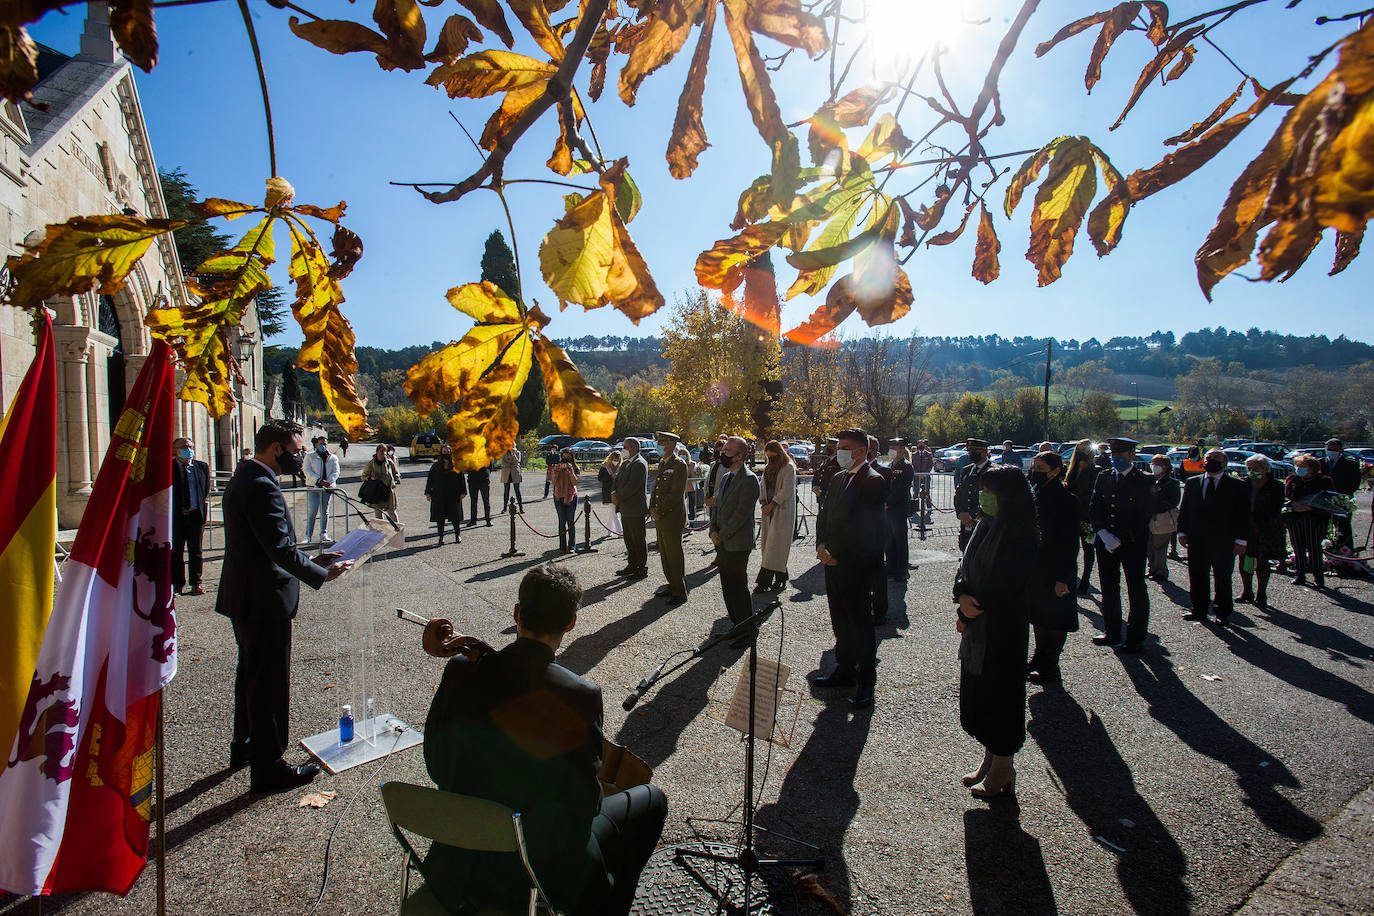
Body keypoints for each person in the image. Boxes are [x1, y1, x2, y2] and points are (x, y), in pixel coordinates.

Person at [424, 564, 668, 916]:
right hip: (535, 859)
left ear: (517, 613)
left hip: (462, 847)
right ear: (571, 623)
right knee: (652, 799)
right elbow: (584, 806)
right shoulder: (580, 694)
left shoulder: (462, 668)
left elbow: (435, 762)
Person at [215, 424, 351, 792]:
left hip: (245, 594)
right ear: (276, 449)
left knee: (251, 674)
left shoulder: (245, 477)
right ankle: (269, 765)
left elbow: (267, 545)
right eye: (295, 449)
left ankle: (244, 745)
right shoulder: (262, 486)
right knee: (269, 682)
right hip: (264, 599)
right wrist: (320, 572)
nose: (300, 455)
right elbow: (278, 549)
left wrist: (312, 558)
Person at [953, 466, 1036, 798]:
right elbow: (965, 567)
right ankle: (989, 758)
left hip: (1002, 630)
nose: (983, 496)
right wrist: (961, 595)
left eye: (989, 491)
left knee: (1001, 699)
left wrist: (970, 612)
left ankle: (1003, 767)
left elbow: (1005, 585)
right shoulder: (985, 525)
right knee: (980, 695)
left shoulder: (1021, 533)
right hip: (978, 627)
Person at [814, 428, 887, 707]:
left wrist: (835, 551)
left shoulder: (873, 481)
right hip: (831, 563)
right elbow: (825, 515)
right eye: (839, 446)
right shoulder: (838, 478)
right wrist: (821, 545)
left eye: (845, 447)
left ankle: (866, 682)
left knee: (860, 624)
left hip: (855, 564)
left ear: (861, 450)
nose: (839, 451)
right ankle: (844, 670)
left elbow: (863, 527)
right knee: (840, 621)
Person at [1088, 438, 1154, 652]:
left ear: (1132, 456)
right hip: (1106, 542)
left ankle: (1135, 637)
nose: (1116, 460)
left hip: (1132, 543)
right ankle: (1112, 631)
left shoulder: (1144, 480)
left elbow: (1144, 514)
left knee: (1136, 588)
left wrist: (1122, 538)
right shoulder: (1104, 477)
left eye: (1120, 456)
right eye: (1113, 456)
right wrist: (1103, 532)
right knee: (1109, 587)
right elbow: (1095, 506)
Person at [1177, 448, 1249, 624]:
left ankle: (1223, 612)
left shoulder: (1236, 485)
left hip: (1223, 540)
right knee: (1197, 575)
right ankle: (1198, 609)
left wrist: (1241, 540)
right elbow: (1185, 509)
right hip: (1197, 539)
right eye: (1208, 458)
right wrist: (1182, 532)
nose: (1210, 461)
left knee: (1222, 577)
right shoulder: (1193, 482)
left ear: (1224, 463)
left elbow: (1243, 515)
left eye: (1215, 458)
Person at [1027, 452, 1079, 686]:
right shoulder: (1037, 493)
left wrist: (1062, 577)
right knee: (1039, 615)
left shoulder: (1065, 499)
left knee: (1055, 618)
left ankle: (1051, 665)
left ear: (1056, 470)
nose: (1035, 471)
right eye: (1034, 466)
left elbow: (1068, 543)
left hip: (1056, 567)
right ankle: (1038, 658)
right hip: (1038, 566)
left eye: (1041, 467)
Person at [709, 436, 760, 644]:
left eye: (728, 452)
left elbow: (741, 514)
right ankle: (736, 625)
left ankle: (747, 631)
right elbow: (717, 507)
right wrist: (712, 530)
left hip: (737, 544)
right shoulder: (726, 477)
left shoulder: (749, 479)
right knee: (727, 587)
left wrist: (722, 535)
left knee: (738, 588)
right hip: (721, 542)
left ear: (740, 456)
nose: (723, 454)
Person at [1238, 454, 1285, 607]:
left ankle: (1261, 593)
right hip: (1245, 527)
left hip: (1267, 528)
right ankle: (1247, 591)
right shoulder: (1243, 484)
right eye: (1249, 469)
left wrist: (1259, 521)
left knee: (1263, 562)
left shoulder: (1276, 486)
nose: (1251, 471)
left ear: (1265, 469)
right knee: (1244, 560)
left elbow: (1275, 509)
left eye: (1255, 469)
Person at [650, 432, 689, 605]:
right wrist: (651, 507)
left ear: (672, 445)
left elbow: (675, 494)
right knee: (664, 553)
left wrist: (659, 510)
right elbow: (657, 489)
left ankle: (679, 591)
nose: (659, 446)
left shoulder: (679, 464)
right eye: (659, 442)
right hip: (660, 515)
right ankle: (671, 584)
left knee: (674, 554)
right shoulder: (662, 463)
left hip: (671, 515)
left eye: (663, 443)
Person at [1284, 453, 1332, 589]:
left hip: (1314, 519)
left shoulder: (1324, 480)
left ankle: (1318, 576)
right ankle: (1300, 574)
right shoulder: (1292, 479)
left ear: (1312, 468)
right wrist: (1293, 506)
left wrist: (1309, 507)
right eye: (1298, 466)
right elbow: (1287, 496)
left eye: (1303, 466)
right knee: (1297, 547)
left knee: (1314, 547)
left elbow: (1328, 500)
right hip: (1295, 518)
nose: (1299, 468)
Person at [755, 439, 796, 592]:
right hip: (768, 510)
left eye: (772, 456)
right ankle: (781, 576)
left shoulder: (788, 468)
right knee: (770, 547)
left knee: (776, 546)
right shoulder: (768, 468)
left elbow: (786, 490)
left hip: (781, 510)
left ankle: (763, 582)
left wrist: (773, 504)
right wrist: (764, 503)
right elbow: (763, 486)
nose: (770, 459)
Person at [171, 436, 210, 596]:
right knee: (176, 552)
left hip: (195, 515)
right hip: (177, 517)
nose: (189, 450)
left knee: (196, 551)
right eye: (184, 447)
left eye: (190, 446)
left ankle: (196, 583)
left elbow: (205, 489)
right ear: (175, 450)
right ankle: (177, 584)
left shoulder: (201, 467)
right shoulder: (169, 468)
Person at [1065, 440, 1100, 595]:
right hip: (1072, 516)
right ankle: (1071, 578)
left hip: (1087, 517)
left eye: (1084, 450)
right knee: (1071, 549)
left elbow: (1092, 494)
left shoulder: (1094, 470)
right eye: (1078, 450)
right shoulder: (1071, 469)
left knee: (1088, 548)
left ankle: (1085, 580)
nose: (1080, 453)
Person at [613, 438, 649, 577]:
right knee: (629, 539)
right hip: (626, 508)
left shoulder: (640, 463)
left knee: (638, 539)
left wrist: (619, 496)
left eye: (625, 447)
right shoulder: (626, 463)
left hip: (635, 508)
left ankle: (641, 567)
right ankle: (632, 564)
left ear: (633, 448)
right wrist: (613, 492)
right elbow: (617, 480)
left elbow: (632, 486)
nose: (623, 449)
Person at [866, 435, 892, 623]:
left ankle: (880, 609)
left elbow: (886, 500)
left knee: (876, 570)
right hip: (856, 530)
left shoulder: (883, 472)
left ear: (873, 451)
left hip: (875, 529)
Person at [954, 437, 994, 551]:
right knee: (965, 549)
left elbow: (991, 499)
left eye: (975, 452)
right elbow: (959, 494)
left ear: (984, 452)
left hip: (983, 522)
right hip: (965, 522)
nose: (971, 454)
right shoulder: (967, 470)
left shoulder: (993, 472)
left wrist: (971, 515)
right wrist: (960, 513)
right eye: (970, 451)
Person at [1146, 455, 1181, 582]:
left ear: (1166, 467)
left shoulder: (1172, 483)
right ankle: (1152, 568)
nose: (1154, 466)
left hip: (1163, 518)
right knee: (1149, 545)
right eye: (1153, 463)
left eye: (1158, 464)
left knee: (1160, 546)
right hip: (1149, 517)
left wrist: (1157, 493)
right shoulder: (1148, 480)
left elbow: (1174, 501)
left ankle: (1161, 571)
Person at [1322, 438, 1362, 549]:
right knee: (1324, 529)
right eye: (1329, 449)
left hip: (1342, 502)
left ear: (1340, 450)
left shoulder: (1351, 464)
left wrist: (1340, 498)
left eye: (1334, 449)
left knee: (1343, 529)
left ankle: (1347, 554)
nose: (1331, 451)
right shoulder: (1319, 463)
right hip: (1323, 503)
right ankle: (1328, 553)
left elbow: (1354, 485)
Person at [885, 439, 915, 581]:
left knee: (900, 540)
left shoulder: (906, 466)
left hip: (898, 507)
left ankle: (901, 571)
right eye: (890, 447)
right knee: (889, 540)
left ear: (902, 450)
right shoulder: (890, 465)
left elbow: (901, 489)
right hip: (888, 508)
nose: (891, 449)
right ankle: (891, 569)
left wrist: (888, 502)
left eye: (895, 447)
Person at [424, 445, 466, 545]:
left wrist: (463, 492)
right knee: (440, 517)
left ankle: (457, 535)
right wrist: (428, 492)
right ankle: (441, 537)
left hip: (453, 495)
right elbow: (430, 480)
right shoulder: (435, 467)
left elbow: (462, 479)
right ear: (441, 453)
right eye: (444, 451)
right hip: (439, 495)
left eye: (448, 451)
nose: (446, 453)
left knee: (455, 517)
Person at [303, 436, 339, 544]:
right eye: (321, 443)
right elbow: (307, 470)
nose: (323, 445)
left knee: (325, 511)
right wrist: (319, 480)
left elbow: (336, 472)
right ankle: (308, 536)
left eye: (325, 443)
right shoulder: (310, 456)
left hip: (327, 488)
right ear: (317, 444)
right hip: (314, 487)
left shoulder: (333, 458)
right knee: (312, 511)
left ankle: (324, 533)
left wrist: (329, 481)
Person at [361, 443, 400, 526]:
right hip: (376, 492)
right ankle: (381, 531)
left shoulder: (389, 462)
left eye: (385, 451)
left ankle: (397, 529)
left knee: (391, 511)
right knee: (378, 513)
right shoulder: (371, 463)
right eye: (381, 451)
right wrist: (371, 478)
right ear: (377, 451)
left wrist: (396, 479)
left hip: (388, 491)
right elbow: (364, 476)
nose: (383, 453)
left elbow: (396, 473)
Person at [552, 448, 580, 553]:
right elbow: (553, 482)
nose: (565, 459)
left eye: (568, 456)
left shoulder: (575, 468)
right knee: (562, 521)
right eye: (563, 456)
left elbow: (575, 482)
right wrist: (556, 470)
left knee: (571, 521)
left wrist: (571, 470)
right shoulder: (557, 466)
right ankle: (562, 546)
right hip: (559, 496)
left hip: (571, 496)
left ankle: (572, 546)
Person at [911, 439, 934, 526]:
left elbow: (930, 465)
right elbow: (913, 465)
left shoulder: (928, 454)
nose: (920, 446)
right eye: (919, 444)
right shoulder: (914, 455)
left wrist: (925, 474)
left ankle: (929, 508)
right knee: (916, 492)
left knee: (927, 492)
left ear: (924, 445)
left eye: (922, 444)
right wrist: (918, 474)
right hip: (916, 476)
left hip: (926, 476)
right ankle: (914, 508)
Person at [466, 461, 492, 526]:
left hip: (484, 480)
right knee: (473, 502)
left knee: (486, 501)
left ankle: (488, 519)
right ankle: (473, 520)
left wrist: (487, 475)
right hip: (472, 480)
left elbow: (490, 466)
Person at [499, 446, 524, 512]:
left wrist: (513, 454)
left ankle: (521, 508)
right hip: (506, 473)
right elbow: (503, 463)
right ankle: (504, 508)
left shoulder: (518, 453)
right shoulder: (504, 453)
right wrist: (511, 465)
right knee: (506, 491)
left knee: (517, 490)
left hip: (515, 473)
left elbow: (517, 462)